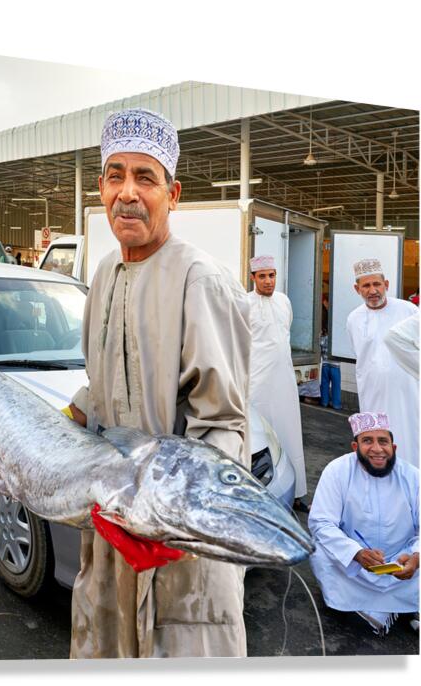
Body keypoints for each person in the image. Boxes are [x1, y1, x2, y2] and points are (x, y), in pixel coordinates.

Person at [66, 108, 252, 658]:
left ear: (173, 193)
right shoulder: (103, 274)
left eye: (145, 178)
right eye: (116, 176)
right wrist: (48, 426)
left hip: (180, 549)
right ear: (100, 188)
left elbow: (223, 426)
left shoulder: (202, 279)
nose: (128, 193)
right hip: (111, 530)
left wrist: (169, 521)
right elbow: (101, 386)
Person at [308, 412, 419, 635]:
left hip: (402, 561)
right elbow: (321, 522)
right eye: (367, 441)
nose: (377, 449)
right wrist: (356, 553)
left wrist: (416, 557)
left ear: (394, 447)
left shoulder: (413, 476)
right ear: (354, 446)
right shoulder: (337, 471)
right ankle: (397, 606)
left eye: (383, 441)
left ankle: (379, 606)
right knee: (318, 549)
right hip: (354, 567)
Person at [247, 254, 309, 511]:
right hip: (256, 383)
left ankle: (297, 493)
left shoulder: (284, 301)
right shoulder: (244, 304)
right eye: (262, 276)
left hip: (283, 382)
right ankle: (259, 497)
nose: (268, 281)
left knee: (290, 434)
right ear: (253, 278)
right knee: (260, 440)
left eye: (271, 275)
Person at [346, 259, 418, 467]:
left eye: (377, 284)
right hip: (372, 393)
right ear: (357, 289)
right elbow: (360, 354)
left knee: (409, 439)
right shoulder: (354, 318)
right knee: (376, 445)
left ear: (386, 285)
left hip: (407, 393)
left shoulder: (408, 311)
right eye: (366, 286)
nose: (373, 290)